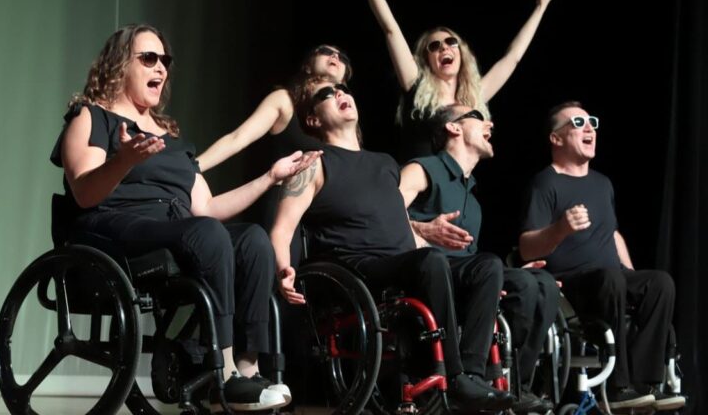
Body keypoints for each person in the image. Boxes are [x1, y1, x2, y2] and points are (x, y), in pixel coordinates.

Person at [50, 24, 320, 411]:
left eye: (165, 60)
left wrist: (270, 178)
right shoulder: (92, 118)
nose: (161, 67)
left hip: (174, 227)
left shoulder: (170, 137)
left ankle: (247, 370)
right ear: (119, 65)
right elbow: (85, 192)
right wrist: (124, 160)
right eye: (149, 58)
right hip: (112, 224)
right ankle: (223, 372)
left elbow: (206, 208)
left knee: (252, 239)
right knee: (205, 233)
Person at [269, 79, 515, 411]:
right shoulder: (314, 164)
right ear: (313, 118)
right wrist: (283, 269)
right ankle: (454, 377)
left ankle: (472, 374)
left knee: (487, 266)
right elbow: (282, 229)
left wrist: (425, 235)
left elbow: (395, 223)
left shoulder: (384, 163)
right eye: (327, 93)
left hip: (402, 260)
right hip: (358, 267)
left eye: (344, 89)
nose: (341, 93)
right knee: (430, 262)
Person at [518, 101, 686, 411]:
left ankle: (645, 383)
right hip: (572, 284)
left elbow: (612, 233)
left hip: (611, 279)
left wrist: (631, 273)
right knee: (611, 279)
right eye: (578, 123)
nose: (589, 128)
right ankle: (617, 386)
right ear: (556, 138)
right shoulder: (545, 183)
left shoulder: (602, 183)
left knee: (659, 283)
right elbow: (527, 246)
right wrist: (561, 228)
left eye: (591, 122)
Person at [399, 104, 559, 413]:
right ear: (454, 128)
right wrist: (420, 227)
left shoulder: (471, 198)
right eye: (478, 118)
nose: (490, 125)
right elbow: (385, 212)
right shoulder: (423, 168)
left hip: (463, 273)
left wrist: (511, 273)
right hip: (427, 271)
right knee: (487, 265)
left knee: (538, 283)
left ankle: (515, 385)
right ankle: (469, 376)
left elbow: (471, 260)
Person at [364, 0, 567, 162]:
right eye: (434, 46)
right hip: (417, 189)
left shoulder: (472, 99)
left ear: (461, 53)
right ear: (427, 60)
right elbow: (390, 29)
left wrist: (541, 6)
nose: (444, 47)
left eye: (451, 42)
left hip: (455, 189)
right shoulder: (414, 85)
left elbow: (512, 57)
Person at [196, 44, 352, 173]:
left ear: (344, 78)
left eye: (342, 57)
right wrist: (191, 168)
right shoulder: (284, 100)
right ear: (308, 67)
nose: (335, 56)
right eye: (325, 51)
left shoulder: (349, 114)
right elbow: (238, 138)